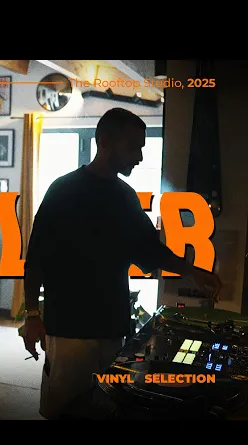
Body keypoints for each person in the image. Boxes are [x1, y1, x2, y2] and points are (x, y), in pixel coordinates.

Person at [21, 108, 222, 420]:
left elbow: (151, 251)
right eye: (133, 147)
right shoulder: (62, 190)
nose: (139, 157)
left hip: (113, 330)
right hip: (69, 331)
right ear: (104, 142)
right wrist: (33, 315)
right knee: (65, 412)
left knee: (109, 409)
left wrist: (193, 272)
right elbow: (35, 260)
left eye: (141, 148)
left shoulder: (126, 197)